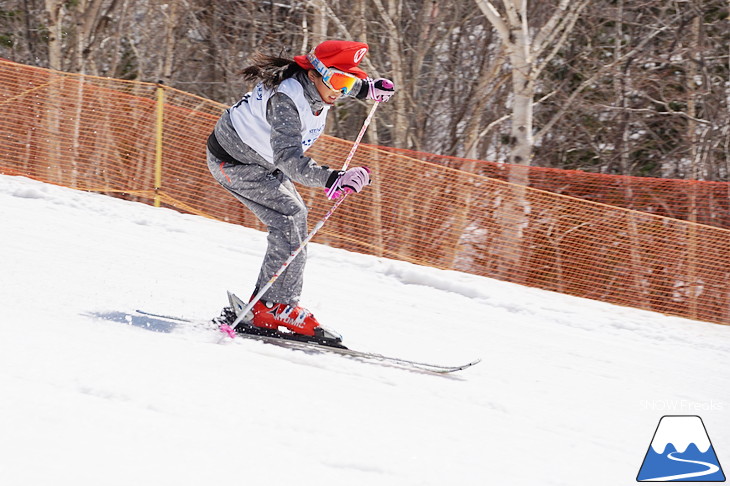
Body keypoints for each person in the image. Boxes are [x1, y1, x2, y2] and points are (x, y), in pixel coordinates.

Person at [206, 40, 395, 340]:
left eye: (349, 82)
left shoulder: (319, 87)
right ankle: (272, 307)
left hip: (258, 161)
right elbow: (289, 161)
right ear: (313, 74)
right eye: (337, 82)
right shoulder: (287, 102)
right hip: (235, 162)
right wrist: (332, 178)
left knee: (294, 217)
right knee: (290, 217)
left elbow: (340, 82)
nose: (340, 91)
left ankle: (271, 305)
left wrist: (366, 89)